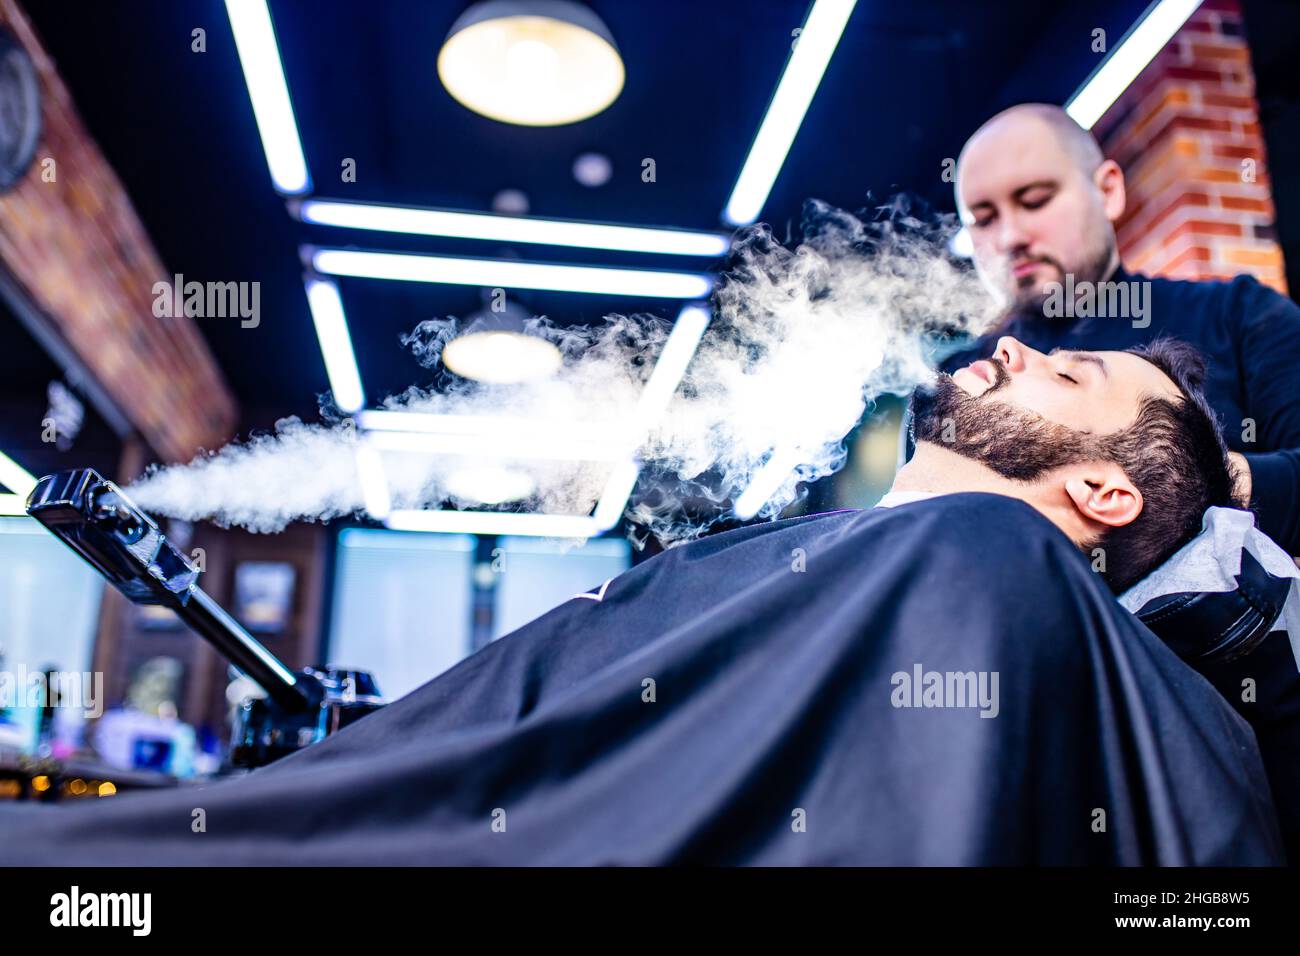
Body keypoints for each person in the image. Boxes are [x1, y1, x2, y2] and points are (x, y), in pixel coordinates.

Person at [1, 337, 1281, 865]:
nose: (1008, 345)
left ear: (1104, 495)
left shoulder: (985, 567)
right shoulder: (825, 555)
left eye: (1063, 370)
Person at [942, 102, 1300, 558]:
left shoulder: (1239, 314)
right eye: (984, 219)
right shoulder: (959, 376)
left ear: (1108, 190)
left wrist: (1169, 478)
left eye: (1035, 200)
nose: (1010, 237)